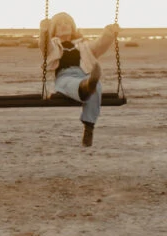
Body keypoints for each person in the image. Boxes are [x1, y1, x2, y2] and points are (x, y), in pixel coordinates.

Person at [39, 12, 119, 147]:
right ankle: (86, 86)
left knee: (96, 85)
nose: (64, 25)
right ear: (54, 29)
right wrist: (44, 31)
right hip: (65, 77)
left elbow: (100, 44)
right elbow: (44, 43)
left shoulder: (83, 45)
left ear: (72, 27)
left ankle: (89, 127)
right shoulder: (53, 45)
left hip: (84, 74)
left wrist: (109, 32)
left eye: (67, 23)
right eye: (59, 24)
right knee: (78, 84)